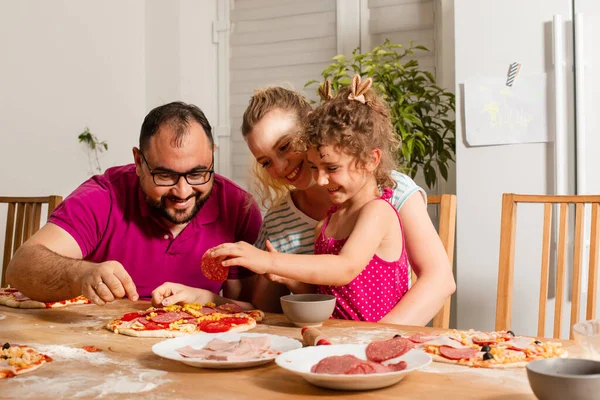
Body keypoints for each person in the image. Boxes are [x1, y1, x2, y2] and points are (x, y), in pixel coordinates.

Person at [158, 82, 456, 325]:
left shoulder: (387, 194)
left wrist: (378, 342)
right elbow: (265, 312)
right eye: (266, 162)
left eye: (286, 146)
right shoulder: (286, 223)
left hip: (383, 340)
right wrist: (204, 298)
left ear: (311, 131)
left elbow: (439, 280)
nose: (281, 167)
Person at [6, 102, 262, 308]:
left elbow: (252, 307)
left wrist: (209, 300)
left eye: (197, 174)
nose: (183, 192)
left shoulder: (239, 208)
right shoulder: (102, 196)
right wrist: (80, 275)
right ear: (139, 162)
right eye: (165, 176)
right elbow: (21, 267)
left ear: (212, 156)